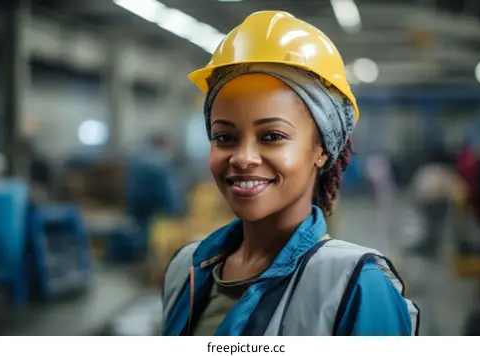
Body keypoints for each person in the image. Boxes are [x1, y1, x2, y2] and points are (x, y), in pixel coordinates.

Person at [161, 11, 419, 336]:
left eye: (272, 136)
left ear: (321, 149)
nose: (242, 158)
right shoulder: (186, 270)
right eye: (224, 137)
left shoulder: (356, 286)